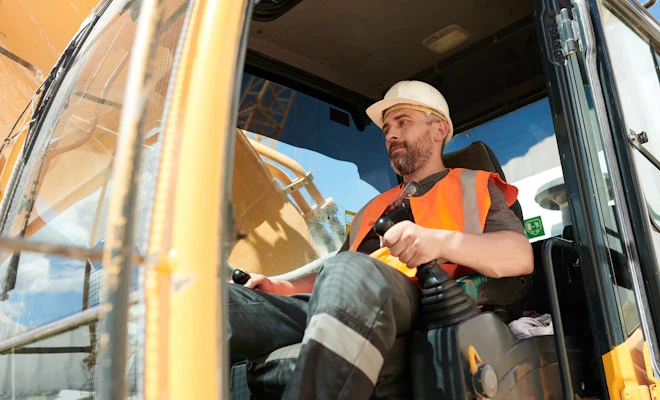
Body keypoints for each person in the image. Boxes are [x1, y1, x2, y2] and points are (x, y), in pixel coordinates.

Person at [228, 80, 534, 399]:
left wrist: (438, 242)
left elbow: (519, 256)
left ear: (439, 129)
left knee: (352, 271)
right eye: (387, 128)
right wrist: (283, 288)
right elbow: (331, 275)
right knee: (222, 301)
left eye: (402, 123)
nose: (390, 134)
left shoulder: (474, 185)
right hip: (344, 300)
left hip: (422, 301)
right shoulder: (372, 208)